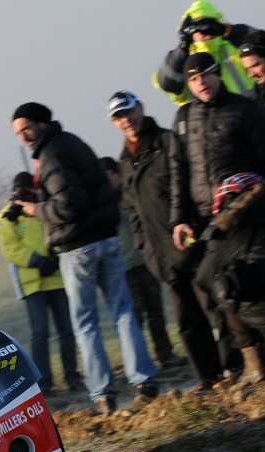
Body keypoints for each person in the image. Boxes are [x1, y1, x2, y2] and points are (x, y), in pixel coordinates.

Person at [11, 102, 158, 413]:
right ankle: (144, 379)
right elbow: (80, 190)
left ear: (40, 124)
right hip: (107, 238)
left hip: (78, 248)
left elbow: (69, 205)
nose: (23, 136)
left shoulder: (50, 154)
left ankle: (102, 392)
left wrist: (33, 210)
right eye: (18, 132)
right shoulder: (73, 141)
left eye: (26, 128)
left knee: (86, 323)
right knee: (123, 312)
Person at [169, 52, 265, 385]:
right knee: (210, 283)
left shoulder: (246, 109)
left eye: (205, 74)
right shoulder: (183, 118)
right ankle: (250, 357)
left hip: (250, 213)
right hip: (208, 221)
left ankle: (258, 355)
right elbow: (179, 173)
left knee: (237, 281)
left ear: (218, 74)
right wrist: (179, 218)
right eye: (193, 78)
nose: (200, 82)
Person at [108, 91, 224, 391]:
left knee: (214, 308)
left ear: (141, 108)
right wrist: (144, 247)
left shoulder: (167, 141)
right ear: (114, 122)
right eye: (119, 116)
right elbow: (132, 209)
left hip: (189, 241)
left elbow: (186, 186)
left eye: (130, 112)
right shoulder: (123, 160)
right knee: (186, 320)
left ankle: (233, 366)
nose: (127, 120)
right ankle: (208, 378)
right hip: (159, 253)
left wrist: (190, 225)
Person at [0, 172, 82, 393]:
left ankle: (73, 377)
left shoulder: (45, 208)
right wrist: (37, 262)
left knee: (67, 330)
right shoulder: (5, 217)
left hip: (57, 278)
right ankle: (44, 382)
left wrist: (56, 256)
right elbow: (11, 249)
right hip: (32, 283)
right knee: (40, 332)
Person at [99, 156, 186, 371]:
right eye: (105, 177)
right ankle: (139, 360)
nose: (109, 180)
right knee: (134, 317)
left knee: (156, 311)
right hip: (123, 268)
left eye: (111, 174)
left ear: (117, 173)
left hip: (145, 261)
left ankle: (165, 354)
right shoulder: (103, 204)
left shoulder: (132, 196)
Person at [201, 173, 265, 363]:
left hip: (261, 314)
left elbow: (202, 279)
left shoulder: (222, 232)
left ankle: (252, 360)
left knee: (223, 284)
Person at [154, 0, 255, 105]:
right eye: (197, 27)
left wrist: (225, 30)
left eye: (208, 25)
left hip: (249, 115)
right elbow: (167, 84)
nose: (203, 31)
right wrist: (183, 47)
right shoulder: (185, 62)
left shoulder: (234, 46)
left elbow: (261, 43)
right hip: (205, 118)